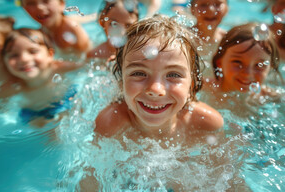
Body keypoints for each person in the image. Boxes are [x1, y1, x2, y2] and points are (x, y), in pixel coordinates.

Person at [94, 16, 223, 140]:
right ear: (121, 81)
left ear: (192, 85)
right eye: (139, 73)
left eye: (173, 75)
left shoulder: (207, 124)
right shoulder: (109, 124)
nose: (155, 89)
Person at [202, 23, 280, 112]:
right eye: (238, 62)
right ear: (219, 62)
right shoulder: (201, 87)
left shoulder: (270, 97)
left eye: (259, 65)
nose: (247, 73)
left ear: (270, 67)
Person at [19, 0, 91, 59]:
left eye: (46, 0)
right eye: (31, 3)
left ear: (61, 4)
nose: (39, 7)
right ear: (24, 9)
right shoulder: (40, 35)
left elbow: (88, 58)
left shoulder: (72, 28)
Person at [190, 0, 229, 77]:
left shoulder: (228, 41)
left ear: (226, 9)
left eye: (217, 4)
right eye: (203, 5)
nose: (211, 9)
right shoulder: (184, 38)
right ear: (192, 9)